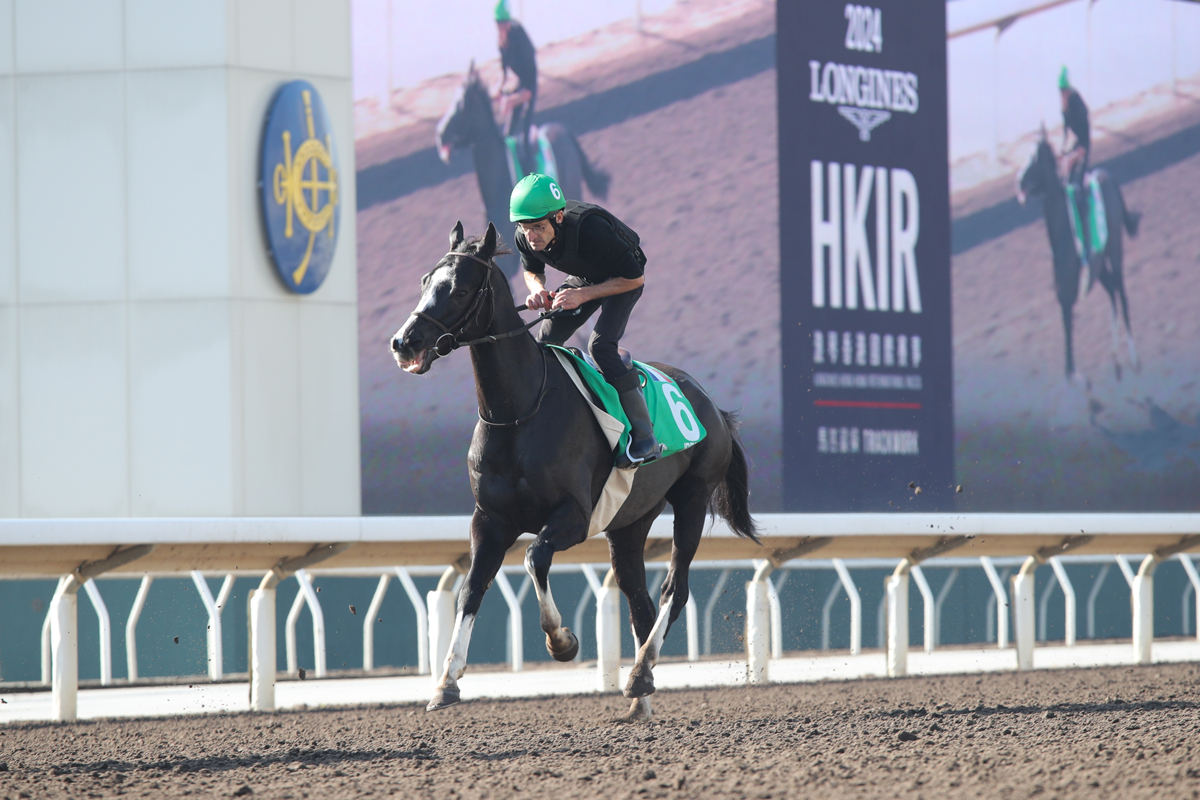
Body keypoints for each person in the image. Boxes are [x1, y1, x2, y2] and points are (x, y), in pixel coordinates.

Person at [509, 174, 662, 467]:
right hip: (587, 275)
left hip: (622, 279)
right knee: (544, 344)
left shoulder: (591, 231)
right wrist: (537, 290)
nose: (532, 237)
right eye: (525, 228)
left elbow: (634, 278)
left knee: (601, 346)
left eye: (539, 228)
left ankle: (645, 438)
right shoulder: (526, 235)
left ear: (559, 218)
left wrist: (582, 295)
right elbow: (532, 271)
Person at [493, 0, 538, 175]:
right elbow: (503, 73)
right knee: (507, 134)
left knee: (524, 137)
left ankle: (532, 174)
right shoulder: (501, 41)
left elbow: (528, 88)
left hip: (528, 84)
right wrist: (498, 89)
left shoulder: (519, 36)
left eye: (503, 23)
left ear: (509, 22)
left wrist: (511, 100)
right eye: (498, 24)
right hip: (519, 83)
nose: (501, 28)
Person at [1059, 66, 1093, 278]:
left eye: (1063, 92)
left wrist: (1073, 156)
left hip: (1083, 149)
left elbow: (1084, 139)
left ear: (1068, 90)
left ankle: (1086, 240)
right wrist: (1062, 153)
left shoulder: (1078, 106)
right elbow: (1065, 135)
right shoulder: (1065, 107)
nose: (1061, 96)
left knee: (1076, 189)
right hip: (1073, 149)